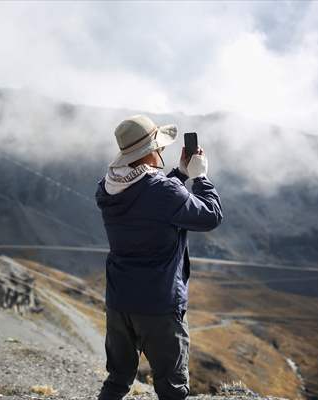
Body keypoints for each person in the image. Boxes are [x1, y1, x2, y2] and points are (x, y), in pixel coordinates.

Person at [95, 114, 223, 400]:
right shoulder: (162, 191)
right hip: (159, 306)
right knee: (172, 388)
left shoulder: (107, 186)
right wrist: (200, 177)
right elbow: (211, 216)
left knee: (117, 380)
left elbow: (149, 200)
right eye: (160, 147)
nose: (162, 151)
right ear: (150, 150)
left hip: (119, 302)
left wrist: (178, 173)